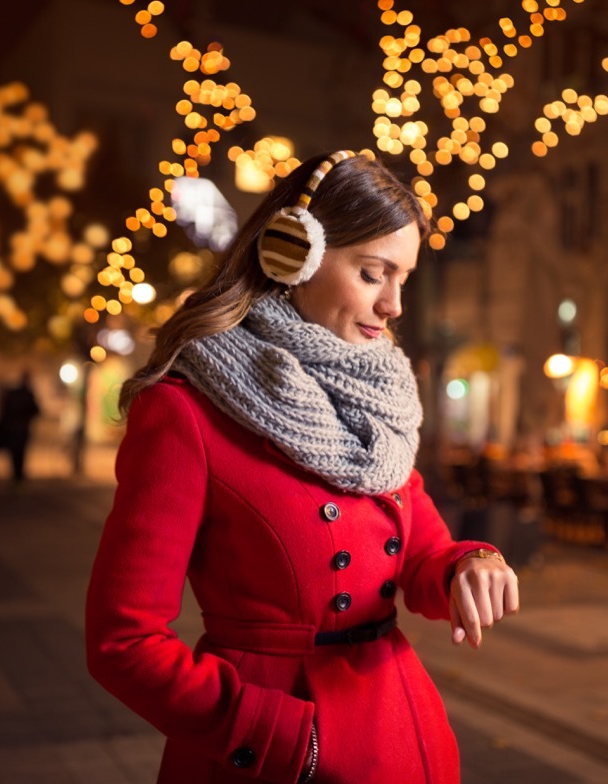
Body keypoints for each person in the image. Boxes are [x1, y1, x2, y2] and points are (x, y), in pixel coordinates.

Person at [85, 150, 520, 784]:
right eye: (374, 273)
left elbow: (422, 550)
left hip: (400, 733)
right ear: (296, 254)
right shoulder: (185, 410)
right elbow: (121, 642)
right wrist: (279, 736)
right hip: (271, 754)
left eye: (403, 278)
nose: (395, 303)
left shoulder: (379, 399)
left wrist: (469, 566)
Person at [0, 371, 40, 482]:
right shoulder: (24, 394)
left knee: (17, 452)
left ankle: (17, 473)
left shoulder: (20, 394)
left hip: (17, 429)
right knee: (19, 452)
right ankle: (17, 474)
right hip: (19, 429)